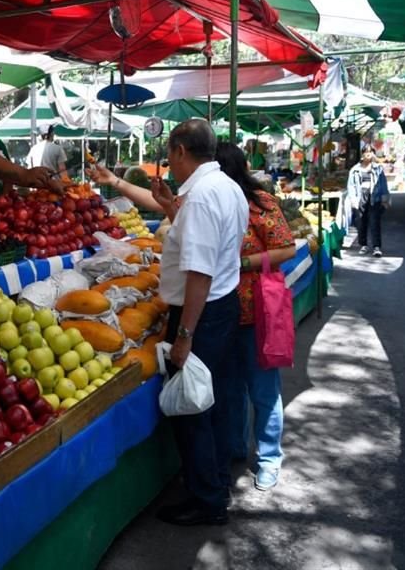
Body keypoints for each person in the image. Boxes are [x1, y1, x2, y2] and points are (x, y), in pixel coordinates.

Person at [91, 119, 248, 525]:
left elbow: (199, 274)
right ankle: (213, 481)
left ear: (180, 151)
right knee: (210, 401)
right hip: (224, 306)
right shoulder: (226, 188)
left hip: (202, 312)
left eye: (170, 156)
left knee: (192, 408)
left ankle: (206, 501)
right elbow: (204, 237)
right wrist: (165, 203)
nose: (169, 165)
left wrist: (184, 336)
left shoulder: (199, 199)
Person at [212, 144, 296, 490]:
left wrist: (244, 263)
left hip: (258, 310)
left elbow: (287, 249)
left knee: (263, 390)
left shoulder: (260, 203)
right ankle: (233, 447)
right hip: (221, 311)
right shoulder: (211, 202)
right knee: (229, 389)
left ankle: (269, 457)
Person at [346, 145, 390, 257]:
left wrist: (385, 199)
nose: (368, 154)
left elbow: (383, 183)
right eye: (366, 152)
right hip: (360, 196)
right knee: (361, 222)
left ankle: (376, 247)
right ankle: (363, 245)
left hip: (374, 197)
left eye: (370, 152)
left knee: (375, 222)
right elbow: (351, 186)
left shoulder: (378, 168)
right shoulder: (355, 170)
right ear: (362, 154)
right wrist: (353, 199)